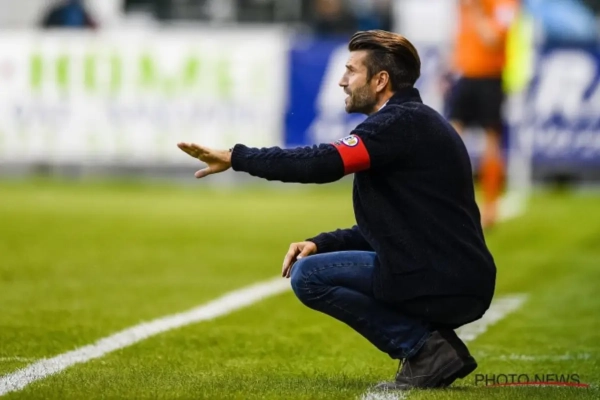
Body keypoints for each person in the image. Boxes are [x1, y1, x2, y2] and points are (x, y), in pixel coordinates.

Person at [177, 30, 496, 391]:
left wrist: (237, 157)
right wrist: (322, 242)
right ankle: (429, 346)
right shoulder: (414, 121)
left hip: (442, 277)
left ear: (380, 81)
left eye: (351, 71)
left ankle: (424, 349)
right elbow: (399, 228)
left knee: (309, 276)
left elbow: (322, 163)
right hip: (456, 276)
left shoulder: (397, 124)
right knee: (316, 262)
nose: (342, 81)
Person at [447, 0, 518, 229]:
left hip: (490, 78)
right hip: (465, 75)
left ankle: (490, 206)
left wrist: (477, 10)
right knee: (449, 138)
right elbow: (459, 34)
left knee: (491, 142)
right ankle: (449, 202)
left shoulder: (505, 4)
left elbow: (493, 39)